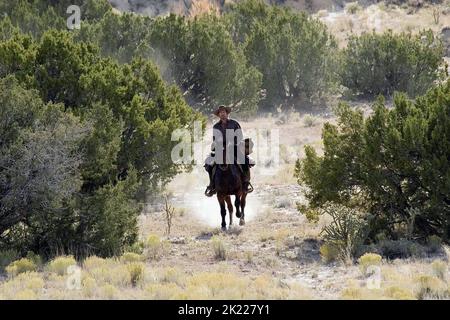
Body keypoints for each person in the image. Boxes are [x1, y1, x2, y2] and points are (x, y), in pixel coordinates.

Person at [204, 105, 254, 197]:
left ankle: (246, 183)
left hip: (234, 147)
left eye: (224, 112)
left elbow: (240, 136)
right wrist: (220, 144)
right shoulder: (216, 126)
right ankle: (212, 185)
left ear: (227, 113)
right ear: (219, 115)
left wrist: (232, 143)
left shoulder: (234, 124)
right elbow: (215, 138)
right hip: (221, 148)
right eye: (220, 113)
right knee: (209, 164)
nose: (222, 114)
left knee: (245, 161)